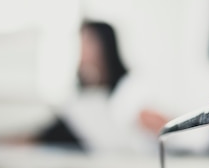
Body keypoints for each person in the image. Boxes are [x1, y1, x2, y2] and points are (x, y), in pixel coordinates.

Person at [35, 20, 157, 154]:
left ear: (104, 44)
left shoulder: (129, 88)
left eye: (87, 41)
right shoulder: (86, 93)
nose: (81, 49)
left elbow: (154, 123)